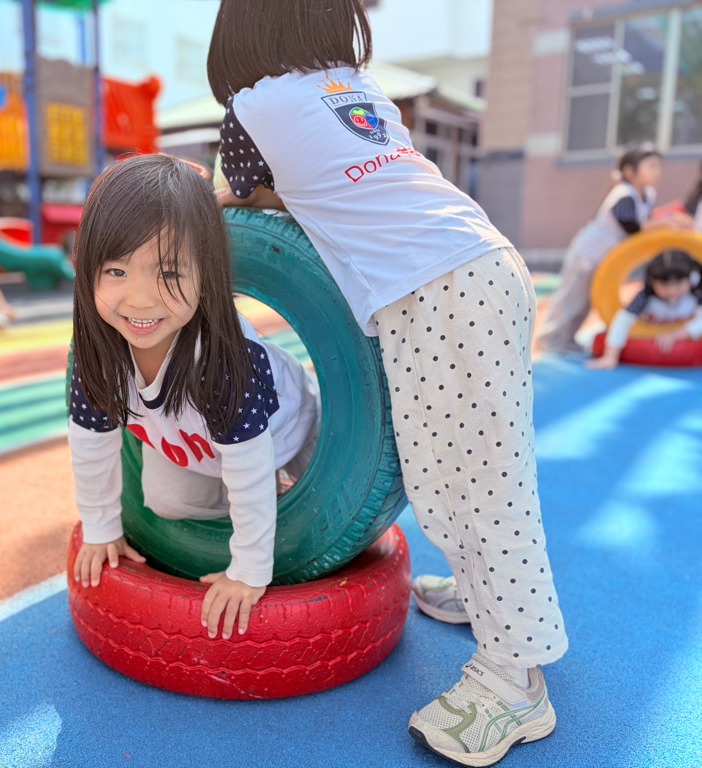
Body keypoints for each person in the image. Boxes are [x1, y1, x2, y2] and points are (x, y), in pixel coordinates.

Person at [208, 2, 565, 764]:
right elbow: (337, 181)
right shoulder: (357, 87)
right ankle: (484, 599)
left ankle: (514, 682)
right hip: (481, 262)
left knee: (474, 485)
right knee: (465, 472)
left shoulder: (251, 110)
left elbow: (241, 198)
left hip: (436, 290)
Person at [69, 154, 320, 641]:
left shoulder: (223, 357)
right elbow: (91, 444)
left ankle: (278, 495)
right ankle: (269, 498)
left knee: (313, 509)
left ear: (205, 273)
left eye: (167, 274)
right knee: (164, 499)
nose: (140, 299)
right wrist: (100, 528)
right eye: (117, 271)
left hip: (290, 427)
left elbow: (248, 462)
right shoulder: (96, 349)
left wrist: (248, 568)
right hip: (198, 447)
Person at [535, 146, 692, 354]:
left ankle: (569, 339)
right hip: (587, 253)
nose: (658, 172)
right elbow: (633, 227)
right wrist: (666, 221)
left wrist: (670, 218)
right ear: (630, 171)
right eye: (651, 166)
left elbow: (647, 219)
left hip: (603, 257)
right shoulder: (623, 194)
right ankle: (548, 340)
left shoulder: (648, 194)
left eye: (658, 167)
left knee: (586, 302)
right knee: (571, 299)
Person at [588, 250, 702, 369]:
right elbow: (623, 319)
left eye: (678, 284)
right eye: (664, 285)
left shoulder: (696, 295)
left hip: (680, 339)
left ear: (693, 278)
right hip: (646, 335)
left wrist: (674, 335)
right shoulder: (645, 297)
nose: (672, 291)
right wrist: (610, 356)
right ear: (652, 282)